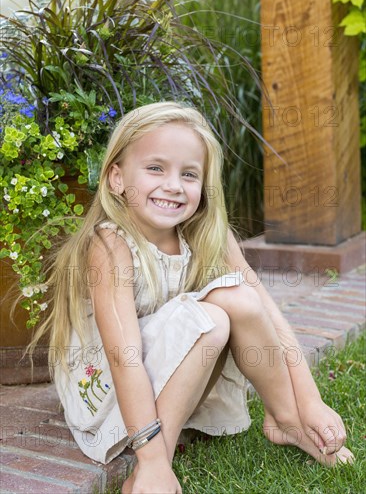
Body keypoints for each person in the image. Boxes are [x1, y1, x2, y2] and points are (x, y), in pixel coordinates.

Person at [30, 102, 353, 494]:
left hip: (163, 377)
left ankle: (286, 418)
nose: (173, 185)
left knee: (240, 298)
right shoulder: (111, 244)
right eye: (155, 168)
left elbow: (265, 310)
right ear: (116, 177)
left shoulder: (207, 235)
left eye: (189, 174)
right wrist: (150, 460)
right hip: (107, 392)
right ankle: (153, 465)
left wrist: (311, 400)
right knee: (213, 319)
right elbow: (123, 356)